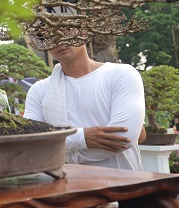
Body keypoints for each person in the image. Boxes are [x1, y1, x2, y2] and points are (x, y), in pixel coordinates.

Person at [23, 43, 145, 171]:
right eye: (49, 36)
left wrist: (67, 155)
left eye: (66, 30)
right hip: (65, 186)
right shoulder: (39, 90)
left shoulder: (121, 75)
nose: (58, 41)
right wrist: (82, 138)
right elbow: (31, 143)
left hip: (124, 184)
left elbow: (123, 138)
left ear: (83, 32)